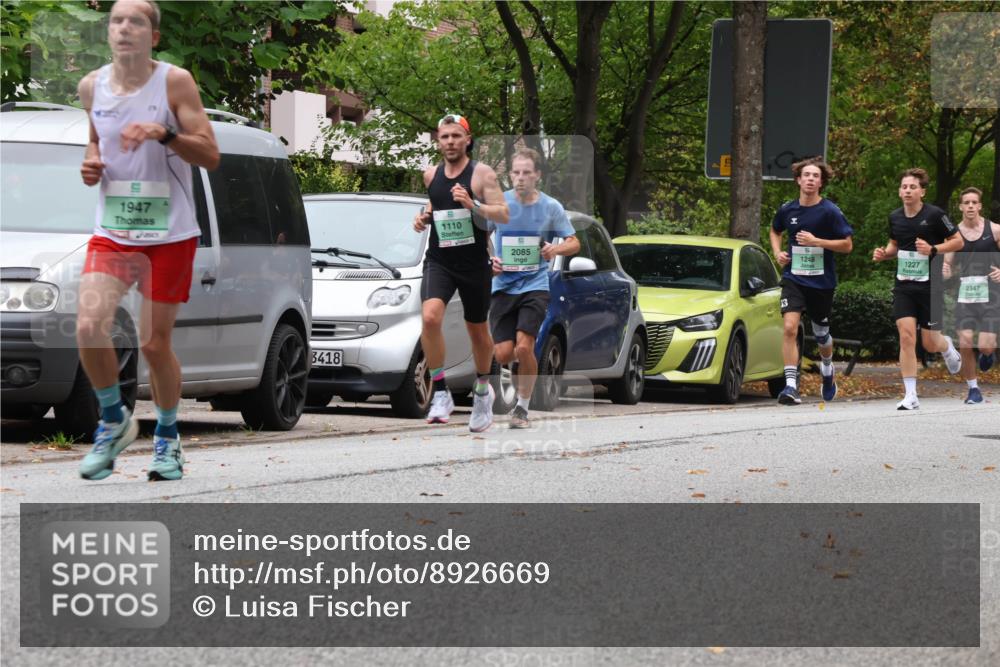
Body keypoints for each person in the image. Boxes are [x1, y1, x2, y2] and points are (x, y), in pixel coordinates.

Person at [76, 0, 219, 481]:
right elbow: (98, 141)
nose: (124, 28)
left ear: (153, 36)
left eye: (136, 21)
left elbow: (210, 154)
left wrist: (164, 133)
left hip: (169, 232)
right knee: (88, 326)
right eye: (116, 20)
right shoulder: (91, 86)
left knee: (154, 344)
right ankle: (114, 419)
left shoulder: (173, 82)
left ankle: (167, 437)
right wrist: (91, 164)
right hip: (113, 231)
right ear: (108, 32)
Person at [412, 114, 509, 431]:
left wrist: (473, 204)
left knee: (477, 331)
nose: (450, 142)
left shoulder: (481, 174)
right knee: (430, 317)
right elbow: (435, 205)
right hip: (440, 260)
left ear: (467, 140)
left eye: (456, 136)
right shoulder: (431, 175)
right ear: (438, 141)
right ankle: (440, 391)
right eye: (444, 137)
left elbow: (503, 214)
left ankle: (482, 390)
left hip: (473, 263)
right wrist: (424, 217)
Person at [488, 149, 579, 428]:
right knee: (504, 354)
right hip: (503, 286)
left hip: (535, 285)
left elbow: (574, 243)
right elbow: (480, 234)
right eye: (516, 172)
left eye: (527, 172)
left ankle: (522, 410)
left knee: (525, 347)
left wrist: (556, 248)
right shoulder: (500, 203)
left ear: (537, 175)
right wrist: (490, 258)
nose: (520, 178)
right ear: (510, 174)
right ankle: (521, 369)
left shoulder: (551, 207)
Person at [872, 168, 964, 410]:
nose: (908, 191)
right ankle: (910, 394)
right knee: (906, 336)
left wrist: (933, 249)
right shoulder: (895, 217)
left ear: (922, 191)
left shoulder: (935, 215)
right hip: (904, 286)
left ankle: (947, 346)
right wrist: (884, 254)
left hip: (930, 287)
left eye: (913, 187)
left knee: (930, 343)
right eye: (904, 187)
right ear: (899, 191)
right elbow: (894, 245)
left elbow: (958, 241)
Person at [769, 157, 853, 405]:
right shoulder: (787, 209)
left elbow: (847, 245)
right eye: (806, 175)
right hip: (793, 278)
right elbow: (775, 230)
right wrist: (777, 253)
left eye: (815, 176)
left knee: (821, 334)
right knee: (789, 328)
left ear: (821, 182)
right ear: (798, 179)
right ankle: (791, 386)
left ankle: (827, 368)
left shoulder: (830, 211)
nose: (810, 179)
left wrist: (818, 242)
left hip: (822, 282)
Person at [941, 187, 1000, 404]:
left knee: (985, 345)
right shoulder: (954, 235)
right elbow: (947, 262)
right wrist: (945, 270)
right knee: (965, 342)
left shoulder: (994, 230)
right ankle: (973, 389)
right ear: (961, 207)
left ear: (980, 206)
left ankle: (987, 353)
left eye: (975, 202)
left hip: (991, 296)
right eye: (967, 203)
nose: (971, 206)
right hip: (965, 295)